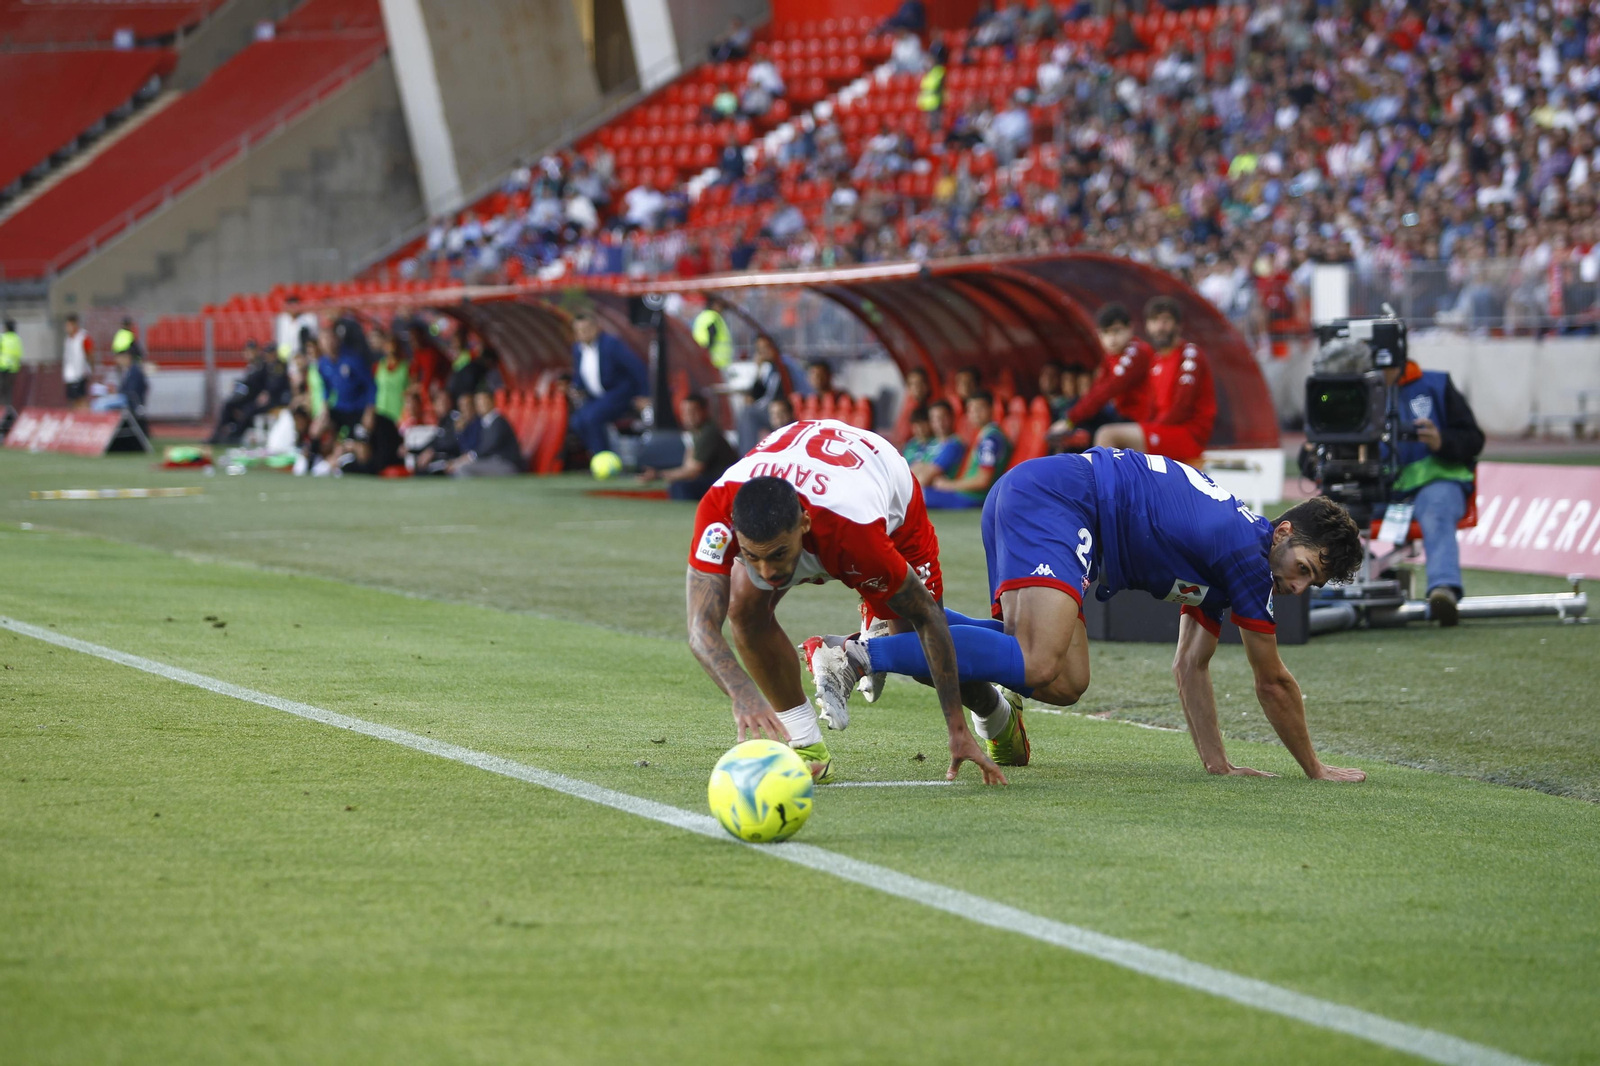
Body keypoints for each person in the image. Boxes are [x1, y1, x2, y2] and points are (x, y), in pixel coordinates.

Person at [807, 450, 1369, 782]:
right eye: (1304, 567)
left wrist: (1217, 764)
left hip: (1040, 494)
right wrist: (1316, 769)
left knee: (1065, 680)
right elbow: (1271, 681)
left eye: (1310, 583)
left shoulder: (1237, 555)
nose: (1296, 585)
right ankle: (855, 654)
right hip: (1060, 502)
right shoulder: (1250, 557)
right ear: (1286, 532)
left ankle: (897, 621)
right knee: (1037, 658)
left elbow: (1189, 666)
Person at [685, 419, 1007, 785]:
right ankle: (806, 746)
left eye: (777, 555)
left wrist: (957, 729)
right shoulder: (717, 512)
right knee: (744, 609)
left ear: (803, 524)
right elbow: (700, 628)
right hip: (809, 468)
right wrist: (743, 694)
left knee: (908, 644)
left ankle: (997, 713)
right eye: (750, 556)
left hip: (883, 485)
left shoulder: (854, 535)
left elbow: (927, 618)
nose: (766, 571)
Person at [1371, 343, 1485, 625]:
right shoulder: (1355, 394)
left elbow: (1474, 439)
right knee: (1332, 511)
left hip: (1436, 482)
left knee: (1437, 506)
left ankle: (1443, 588)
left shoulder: (1436, 384)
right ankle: (1361, 579)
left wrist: (1442, 441)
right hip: (1378, 492)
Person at [1092, 296, 1215, 462]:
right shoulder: (1156, 360)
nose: (1160, 327)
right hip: (1164, 430)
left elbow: (1182, 407)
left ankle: (1105, 488)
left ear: (1178, 325)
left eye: (1165, 321)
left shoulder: (1190, 354)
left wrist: (1150, 429)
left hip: (1187, 434)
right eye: (1154, 321)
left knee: (1107, 435)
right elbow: (1151, 406)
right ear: (1148, 326)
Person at [1053, 303, 1155, 448]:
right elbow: (1096, 389)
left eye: (1116, 331)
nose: (1111, 339)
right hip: (1121, 415)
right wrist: (1069, 417)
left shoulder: (1137, 352)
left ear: (1130, 329)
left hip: (1139, 419)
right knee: (1069, 411)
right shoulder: (1111, 357)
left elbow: (1107, 390)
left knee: (1087, 428)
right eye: (1106, 333)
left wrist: (1070, 419)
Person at [567, 309, 648, 458]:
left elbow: (637, 367)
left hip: (618, 394)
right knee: (576, 421)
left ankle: (603, 457)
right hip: (596, 398)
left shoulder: (611, 344)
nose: (583, 334)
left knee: (592, 417)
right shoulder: (577, 349)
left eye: (586, 329)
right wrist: (576, 387)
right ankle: (597, 453)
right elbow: (580, 374)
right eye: (578, 331)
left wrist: (644, 394)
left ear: (596, 328)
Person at [639, 394, 738, 500]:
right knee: (677, 484)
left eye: (693, 411)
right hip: (715, 480)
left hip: (725, 483)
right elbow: (687, 467)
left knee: (681, 487)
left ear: (704, 411)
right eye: (685, 412)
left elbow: (693, 471)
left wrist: (658, 475)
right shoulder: (695, 432)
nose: (688, 416)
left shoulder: (708, 433)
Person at [925, 391, 1010, 508]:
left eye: (980, 409)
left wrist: (948, 485)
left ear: (992, 409)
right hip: (965, 494)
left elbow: (983, 481)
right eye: (971, 410)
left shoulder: (990, 440)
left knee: (917, 496)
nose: (975, 414)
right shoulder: (984, 435)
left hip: (973, 497)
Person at [450, 387, 523, 477]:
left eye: (483, 400)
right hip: (492, 462)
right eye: (477, 402)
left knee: (463, 469)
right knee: (459, 466)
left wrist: (470, 457)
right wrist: (460, 432)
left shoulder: (499, 421)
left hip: (506, 464)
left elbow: (489, 446)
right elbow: (472, 445)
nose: (480, 404)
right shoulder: (484, 422)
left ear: (492, 401)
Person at [908, 400, 967, 486]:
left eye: (943, 417)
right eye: (935, 418)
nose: (939, 422)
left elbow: (924, 479)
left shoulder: (954, 444)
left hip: (939, 494)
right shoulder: (930, 443)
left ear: (952, 418)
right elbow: (914, 469)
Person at [92, 345, 147, 417]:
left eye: (120, 358)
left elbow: (132, 391)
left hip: (130, 401)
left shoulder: (134, 372)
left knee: (100, 405)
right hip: (125, 398)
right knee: (96, 402)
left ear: (127, 357)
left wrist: (117, 391)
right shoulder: (128, 371)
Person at [692, 295, 735, 371]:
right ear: (715, 304)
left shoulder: (704, 317)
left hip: (711, 363)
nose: (722, 309)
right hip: (715, 363)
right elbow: (710, 339)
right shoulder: (712, 317)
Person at [61, 313, 92, 410]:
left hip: (80, 374)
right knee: (71, 400)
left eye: (68, 325)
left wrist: (90, 368)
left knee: (81, 399)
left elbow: (89, 353)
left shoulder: (83, 337)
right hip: (70, 375)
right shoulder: (68, 339)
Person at [1, 318, 22, 415]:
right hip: (13, 368)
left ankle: (3, 410)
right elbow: (19, 354)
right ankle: (8, 409)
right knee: (9, 391)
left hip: (3, 367)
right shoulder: (17, 339)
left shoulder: (3, 337)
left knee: (2, 390)